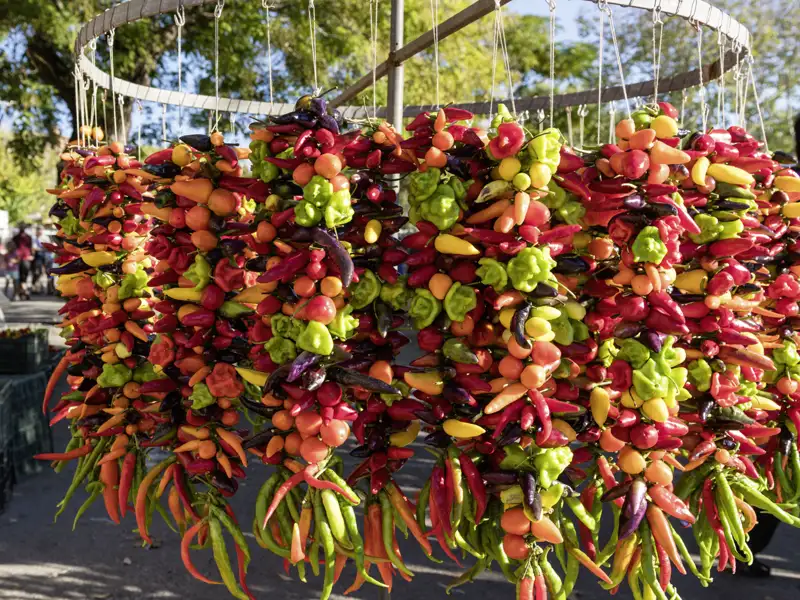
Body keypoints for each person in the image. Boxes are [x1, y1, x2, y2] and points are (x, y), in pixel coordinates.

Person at [11, 224, 33, 300]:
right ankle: (23, 291)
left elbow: (12, 248)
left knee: (19, 277)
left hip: (19, 259)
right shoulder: (28, 237)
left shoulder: (15, 238)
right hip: (25, 259)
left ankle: (23, 292)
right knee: (23, 277)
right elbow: (30, 248)